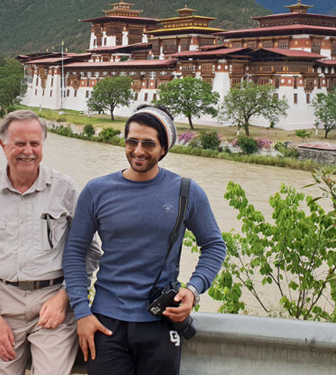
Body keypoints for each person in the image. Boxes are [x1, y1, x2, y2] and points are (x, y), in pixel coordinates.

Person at [63, 105, 226, 375]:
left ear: (164, 148)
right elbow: (75, 252)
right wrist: (82, 312)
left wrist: (193, 289)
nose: (138, 150)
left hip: (160, 322)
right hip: (105, 322)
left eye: (148, 143)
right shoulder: (97, 191)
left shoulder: (186, 192)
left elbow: (214, 246)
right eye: (132, 141)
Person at [0, 109, 101, 375]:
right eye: (19, 143)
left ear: (42, 146)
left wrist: (65, 297)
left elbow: (89, 252)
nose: (28, 151)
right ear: (3, 145)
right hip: (1, 302)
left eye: (35, 143)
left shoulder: (65, 189)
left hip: (53, 304)